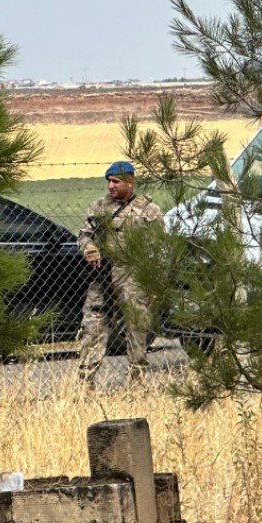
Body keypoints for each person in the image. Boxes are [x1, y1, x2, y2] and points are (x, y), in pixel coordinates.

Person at [76, 160, 164, 385]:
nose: (111, 186)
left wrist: (153, 282)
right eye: (109, 182)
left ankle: (137, 382)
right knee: (93, 324)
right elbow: (84, 234)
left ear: (130, 181)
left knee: (136, 326)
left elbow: (159, 249)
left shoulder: (149, 211)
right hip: (103, 274)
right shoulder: (99, 206)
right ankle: (85, 383)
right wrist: (89, 247)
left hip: (133, 273)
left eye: (116, 181)